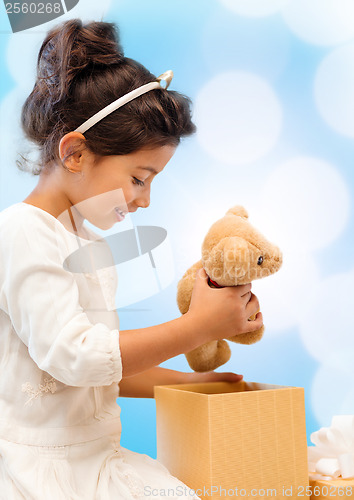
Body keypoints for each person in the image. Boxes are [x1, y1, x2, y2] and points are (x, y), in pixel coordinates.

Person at [0, 19, 263, 500]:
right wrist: (197, 328)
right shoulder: (22, 232)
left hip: (98, 460)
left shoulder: (89, 244)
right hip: (41, 471)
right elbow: (75, 357)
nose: (144, 200)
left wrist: (193, 381)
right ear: (76, 152)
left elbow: (105, 370)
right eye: (140, 178)